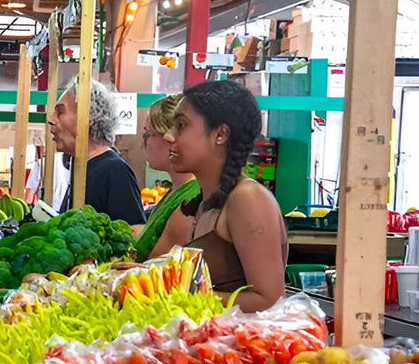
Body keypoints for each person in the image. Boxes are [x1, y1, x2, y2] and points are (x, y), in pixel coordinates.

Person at [165, 81, 287, 311]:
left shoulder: (247, 198)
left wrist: (175, 294)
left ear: (220, 134)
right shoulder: (206, 201)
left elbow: (269, 300)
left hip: (243, 344)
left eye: (181, 125)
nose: (169, 136)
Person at [49, 78, 146, 226]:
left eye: (60, 112)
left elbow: (131, 233)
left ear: (88, 118)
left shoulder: (115, 171)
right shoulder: (80, 166)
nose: (50, 119)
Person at [131, 95, 200, 261]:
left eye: (148, 134)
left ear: (172, 137)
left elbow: (156, 270)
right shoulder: (176, 191)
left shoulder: (190, 201)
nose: (142, 144)